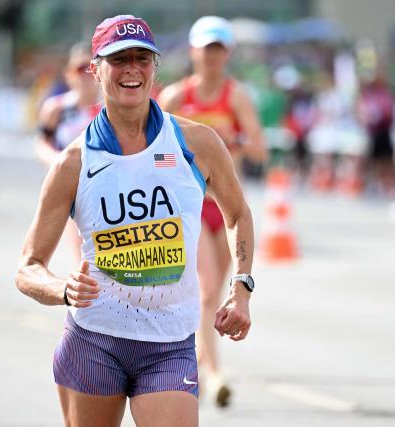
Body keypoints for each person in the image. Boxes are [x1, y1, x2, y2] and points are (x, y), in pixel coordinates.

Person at [15, 15, 256, 427]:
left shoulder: (196, 143)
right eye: (118, 58)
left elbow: (238, 213)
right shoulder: (73, 163)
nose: (131, 68)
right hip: (95, 341)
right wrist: (62, 289)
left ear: (155, 68)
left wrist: (241, 287)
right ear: (95, 69)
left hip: (169, 343)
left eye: (141, 58)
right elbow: (27, 267)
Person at [158, 16, 266, 407]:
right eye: (207, 49)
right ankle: (214, 373)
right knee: (206, 293)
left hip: (225, 207)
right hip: (189, 209)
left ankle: (201, 356)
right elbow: (150, 148)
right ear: (194, 52)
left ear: (227, 55)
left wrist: (228, 142)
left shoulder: (235, 98)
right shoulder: (175, 98)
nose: (213, 57)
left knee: (219, 290)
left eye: (219, 49)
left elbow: (259, 150)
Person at [36, 42, 102, 262]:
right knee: (83, 258)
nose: (84, 75)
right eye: (78, 69)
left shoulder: (109, 109)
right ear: (68, 75)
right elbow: (41, 144)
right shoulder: (56, 108)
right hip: (72, 189)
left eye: (88, 68)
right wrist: (59, 162)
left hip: (105, 188)